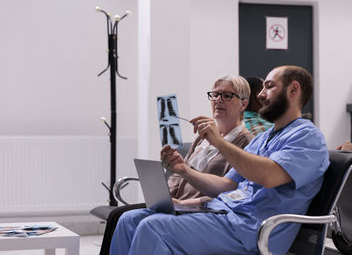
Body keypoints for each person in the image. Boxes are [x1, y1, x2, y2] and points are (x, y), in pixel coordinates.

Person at [110, 65, 329, 255]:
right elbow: (227, 185)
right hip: (223, 214)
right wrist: (184, 170)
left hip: (252, 229)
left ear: (293, 89)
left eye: (269, 86)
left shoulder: (307, 137)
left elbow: (269, 177)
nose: (260, 94)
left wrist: (219, 142)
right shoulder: (264, 138)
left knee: (153, 227)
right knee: (128, 220)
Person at [99, 75, 254, 255]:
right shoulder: (201, 138)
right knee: (126, 218)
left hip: (202, 211)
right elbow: (179, 174)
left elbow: (233, 192)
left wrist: (184, 203)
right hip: (178, 206)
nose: (218, 100)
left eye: (226, 95)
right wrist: (164, 196)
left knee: (145, 224)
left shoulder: (247, 143)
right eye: (214, 95)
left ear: (243, 104)